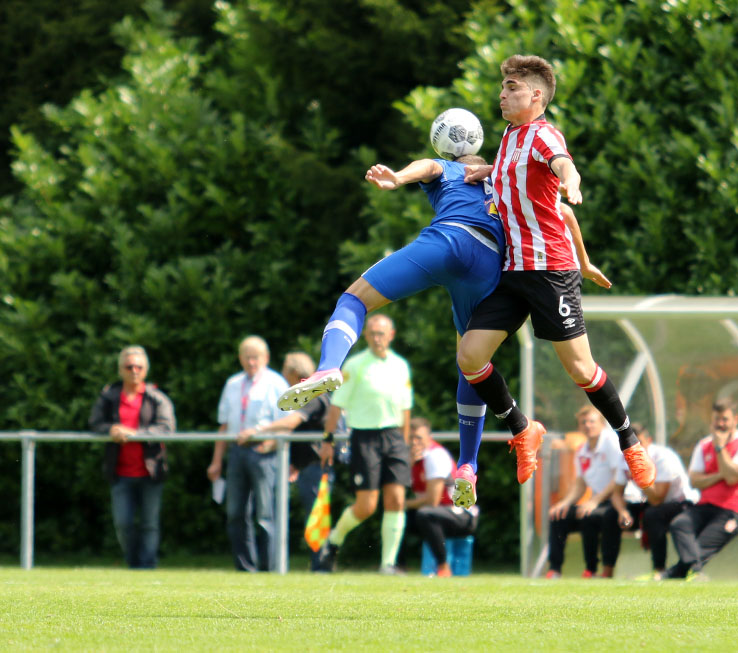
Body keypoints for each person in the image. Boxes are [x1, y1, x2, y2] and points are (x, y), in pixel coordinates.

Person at [276, 150, 609, 510]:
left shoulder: (451, 169)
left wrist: (400, 177)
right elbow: (563, 212)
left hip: (447, 240)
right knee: (470, 362)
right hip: (489, 264)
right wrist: (585, 263)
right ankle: (468, 464)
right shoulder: (507, 185)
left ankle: (328, 366)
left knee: (353, 300)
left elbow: (429, 167)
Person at [457, 53, 655, 495]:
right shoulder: (510, 137)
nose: (502, 93)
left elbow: (563, 165)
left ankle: (628, 438)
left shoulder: (545, 136)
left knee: (582, 370)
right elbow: (514, 175)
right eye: (502, 86)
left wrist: (573, 180)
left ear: (536, 95)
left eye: (511, 87)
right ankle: (522, 427)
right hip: (513, 273)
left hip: (550, 273)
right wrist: (487, 172)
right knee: (470, 356)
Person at [319, 314, 413, 574]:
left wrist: (404, 445)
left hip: (394, 437)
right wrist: (327, 440)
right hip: (365, 437)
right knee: (367, 506)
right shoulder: (355, 365)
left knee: (396, 499)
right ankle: (333, 542)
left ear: (391, 335)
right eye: (372, 333)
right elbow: (336, 406)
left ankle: (387, 564)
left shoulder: (400, 365)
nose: (376, 338)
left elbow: (406, 409)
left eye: (381, 333)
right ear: (366, 336)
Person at [237, 351, 337, 571]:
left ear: (292, 372)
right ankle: (319, 565)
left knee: (317, 517)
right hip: (308, 467)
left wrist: (259, 430)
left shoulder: (313, 394)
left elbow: (291, 422)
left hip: (316, 468)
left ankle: (322, 567)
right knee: (315, 516)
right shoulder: (315, 393)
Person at [206, 336, 289, 572]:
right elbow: (224, 425)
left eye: (256, 357)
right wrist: (216, 461)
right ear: (240, 358)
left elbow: (286, 423)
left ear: (266, 358)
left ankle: (269, 566)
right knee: (235, 513)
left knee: (265, 514)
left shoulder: (277, 383)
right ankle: (245, 567)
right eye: (247, 357)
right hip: (236, 452)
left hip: (264, 452)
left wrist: (271, 443)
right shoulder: (232, 383)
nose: (251, 362)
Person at [89, 345, 175, 569]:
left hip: (151, 471)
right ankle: (134, 563)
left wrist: (134, 434)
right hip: (120, 473)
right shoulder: (108, 397)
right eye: (129, 366)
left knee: (149, 524)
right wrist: (111, 430)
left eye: (139, 366)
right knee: (123, 524)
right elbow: (95, 423)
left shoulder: (157, 398)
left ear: (146, 369)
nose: (134, 370)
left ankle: (147, 567)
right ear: (121, 370)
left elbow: (166, 428)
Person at [663, 397, 738, 579]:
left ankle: (675, 573)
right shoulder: (703, 444)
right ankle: (693, 571)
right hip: (706, 505)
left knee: (700, 545)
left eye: (725, 419)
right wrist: (720, 475)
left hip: (734, 510)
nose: (720, 424)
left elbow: (731, 479)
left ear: (735, 420)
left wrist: (720, 447)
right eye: (717, 419)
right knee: (679, 523)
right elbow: (694, 480)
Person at [546, 406, 624, 578]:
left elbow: (618, 478)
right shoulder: (582, 450)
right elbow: (580, 484)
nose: (588, 425)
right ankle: (555, 569)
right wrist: (564, 503)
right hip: (597, 501)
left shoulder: (611, 442)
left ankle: (595, 569)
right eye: (583, 422)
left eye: (592, 421)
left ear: (602, 424)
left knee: (591, 515)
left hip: (618, 500)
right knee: (559, 515)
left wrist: (594, 501)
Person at [405, 417, 478, 577]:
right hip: (443, 512)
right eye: (411, 438)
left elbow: (433, 500)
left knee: (424, 514)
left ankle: (443, 566)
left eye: (419, 438)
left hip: (463, 514)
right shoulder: (412, 459)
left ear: (429, 438)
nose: (414, 443)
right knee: (398, 516)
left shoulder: (434, 455)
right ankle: (397, 566)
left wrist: (402, 504)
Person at [626, 438, 699, 580]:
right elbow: (617, 489)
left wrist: (639, 476)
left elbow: (657, 499)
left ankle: (660, 568)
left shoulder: (663, 457)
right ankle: (601, 572)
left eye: (638, 442)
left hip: (681, 504)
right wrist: (622, 512)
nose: (634, 447)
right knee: (611, 515)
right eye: (630, 444)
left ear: (648, 440)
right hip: (651, 502)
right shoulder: (626, 455)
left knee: (653, 515)